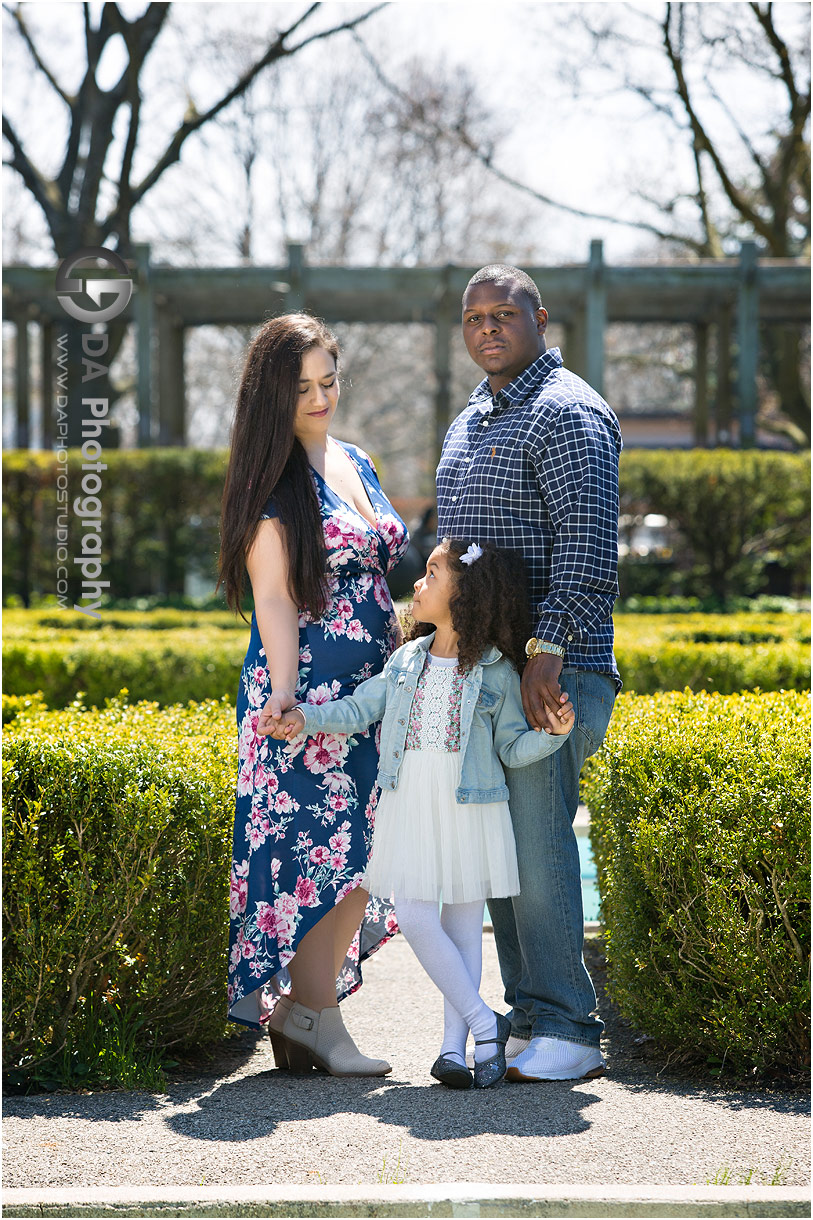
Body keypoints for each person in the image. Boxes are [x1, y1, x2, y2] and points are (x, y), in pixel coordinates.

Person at [266, 539, 575, 1088]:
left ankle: (454, 1049)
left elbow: (510, 749)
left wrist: (553, 737)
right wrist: (306, 718)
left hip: (471, 805)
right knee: (412, 910)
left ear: (466, 593)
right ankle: (487, 1023)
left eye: (432, 573)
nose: (417, 582)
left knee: (461, 925)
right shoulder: (406, 661)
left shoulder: (497, 671)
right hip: (411, 800)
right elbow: (361, 708)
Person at [436, 264, 622, 1083]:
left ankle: (570, 1030)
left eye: (501, 313)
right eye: (473, 317)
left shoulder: (568, 413)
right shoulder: (473, 413)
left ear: (538, 318)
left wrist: (544, 655)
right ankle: (529, 1015)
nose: (486, 327)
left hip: (551, 673)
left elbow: (586, 552)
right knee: (502, 855)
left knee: (541, 855)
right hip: (488, 674)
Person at [218, 313, 409, 1078]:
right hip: (308, 695)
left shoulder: (355, 461)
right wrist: (288, 700)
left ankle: (307, 1017)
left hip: (374, 693)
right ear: (273, 396)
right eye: (302, 388)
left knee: (367, 852)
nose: (321, 397)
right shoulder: (274, 483)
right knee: (315, 858)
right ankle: (315, 1019)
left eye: (329, 381)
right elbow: (273, 602)